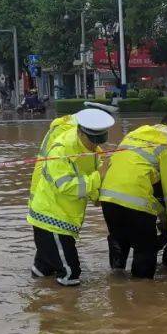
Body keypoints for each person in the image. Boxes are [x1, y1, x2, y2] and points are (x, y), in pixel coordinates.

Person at [26, 106, 114, 286]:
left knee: (44, 267)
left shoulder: (94, 150)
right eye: (92, 140)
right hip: (52, 219)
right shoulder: (61, 149)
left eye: (99, 140)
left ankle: (37, 298)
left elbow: (90, 173)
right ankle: (68, 312)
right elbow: (67, 186)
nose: (95, 145)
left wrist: (96, 195)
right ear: (80, 132)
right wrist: (99, 177)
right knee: (70, 271)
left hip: (61, 217)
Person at [99, 111, 167, 279]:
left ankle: (116, 286)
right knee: (145, 252)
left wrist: (161, 213)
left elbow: (128, 171)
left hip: (108, 198)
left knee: (119, 240)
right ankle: (142, 295)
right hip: (136, 202)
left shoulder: (136, 133)